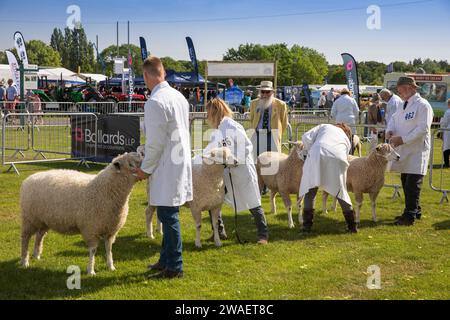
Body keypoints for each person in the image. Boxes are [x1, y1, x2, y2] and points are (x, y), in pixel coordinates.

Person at [133, 56, 193, 279]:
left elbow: (156, 142)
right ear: (163, 72)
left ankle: (175, 266)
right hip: (177, 160)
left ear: (147, 76)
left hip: (166, 164)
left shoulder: (155, 102)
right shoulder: (179, 97)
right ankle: (165, 259)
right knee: (168, 212)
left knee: (168, 215)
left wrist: (144, 170)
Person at [204, 98, 269, 244]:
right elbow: (210, 150)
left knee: (253, 202)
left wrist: (234, 159)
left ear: (215, 112)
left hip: (242, 170)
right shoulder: (217, 131)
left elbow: (246, 146)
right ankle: (219, 231)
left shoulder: (232, 126)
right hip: (226, 172)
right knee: (214, 200)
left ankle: (263, 235)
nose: (207, 116)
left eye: (208, 113)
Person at [386, 77, 433, 226]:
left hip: (417, 150)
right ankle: (414, 210)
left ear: (410, 88)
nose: (400, 94)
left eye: (401, 90)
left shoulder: (423, 105)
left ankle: (409, 216)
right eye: (399, 91)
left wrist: (404, 139)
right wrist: (389, 130)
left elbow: (423, 128)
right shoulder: (403, 105)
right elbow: (393, 119)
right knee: (405, 181)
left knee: (412, 184)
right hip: (404, 150)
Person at [299, 123, 357, 233]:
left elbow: (306, 137)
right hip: (337, 158)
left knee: (311, 190)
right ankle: (352, 226)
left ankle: (307, 226)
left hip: (318, 153)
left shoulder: (325, 126)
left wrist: (311, 149)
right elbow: (345, 153)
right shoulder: (346, 138)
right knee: (340, 191)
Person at [249, 80, 288, 161]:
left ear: (272, 92)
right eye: (262, 92)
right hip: (257, 135)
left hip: (272, 136)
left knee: (274, 162)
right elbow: (252, 119)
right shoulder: (253, 103)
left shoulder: (281, 104)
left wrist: (278, 134)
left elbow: (284, 122)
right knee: (256, 161)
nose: (265, 94)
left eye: (267, 92)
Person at [440, 99, 450, 168]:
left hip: (448, 131)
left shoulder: (448, 112)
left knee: (446, 147)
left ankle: (446, 163)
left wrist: (441, 129)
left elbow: (444, 122)